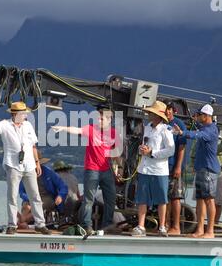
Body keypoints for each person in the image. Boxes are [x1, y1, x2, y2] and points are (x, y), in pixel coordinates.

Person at [0, 101, 52, 235]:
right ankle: (12, 225)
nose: (25, 115)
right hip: (13, 165)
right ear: (15, 114)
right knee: (12, 197)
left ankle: (40, 224)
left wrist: (37, 162)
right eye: (23, 113)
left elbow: (33, 146)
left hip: (29, 165)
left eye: (25, 113)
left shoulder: (28, 125)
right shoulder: (5, 125)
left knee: (35, 196)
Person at [52, 107, 121, 235]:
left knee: (111, 198)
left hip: (106, 170)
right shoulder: (91, 129)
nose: (98, 121)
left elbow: (116, 153)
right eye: (98, 118)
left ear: (109, 120)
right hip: (92, 169)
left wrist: (120, 168)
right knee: (88, 199)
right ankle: (86, 225)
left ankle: (107, 225)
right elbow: (76, 129)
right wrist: (64, 128)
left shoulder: (113, 133)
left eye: (101, 119)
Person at [173, 104, 220, 238]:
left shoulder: (211, 129)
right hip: (201, 168)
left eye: (200, 115)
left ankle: (210, 231)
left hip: (209, 169)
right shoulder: (205, 127)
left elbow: (197, 135)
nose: (198, 116)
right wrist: (192, 121)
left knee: (209, 200)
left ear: (206, 116)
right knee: (200, 200)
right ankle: (200, 229)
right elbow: (198, 129)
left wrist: (182, 133)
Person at [132, 101, 175, 237]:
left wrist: (152, 152)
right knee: (142, 198)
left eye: (151, 112)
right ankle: (141, 226)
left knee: (162, 199)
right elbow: (144, 145)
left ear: (157, 115)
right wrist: (142, 149)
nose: (149, 114)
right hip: (144, 168)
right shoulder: (147, 128)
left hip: (159, 170)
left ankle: (162, 226)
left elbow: (170, 150)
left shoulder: (166, 130)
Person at [18, 151, 68, 228]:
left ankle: (21, 221)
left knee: (38, 205)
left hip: (47, 197)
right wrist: (28, 199)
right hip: (30, 197)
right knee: (27, 207)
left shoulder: (49, 172)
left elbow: (63, 186)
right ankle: (23, 224)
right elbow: (21, 192)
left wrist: (60, 196)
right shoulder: (25, 173)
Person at [165, 102, 187, 235]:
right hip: (162, 166)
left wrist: (178, 166)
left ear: (173, 111)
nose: (167, 112)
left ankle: (176, 226)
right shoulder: (160, 123)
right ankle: (165, 224)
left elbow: (182, 147)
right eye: (165, 109)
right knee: (164, 197)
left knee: (175, 197)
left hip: (174, 166)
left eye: (169, 109)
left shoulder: (178, 124)